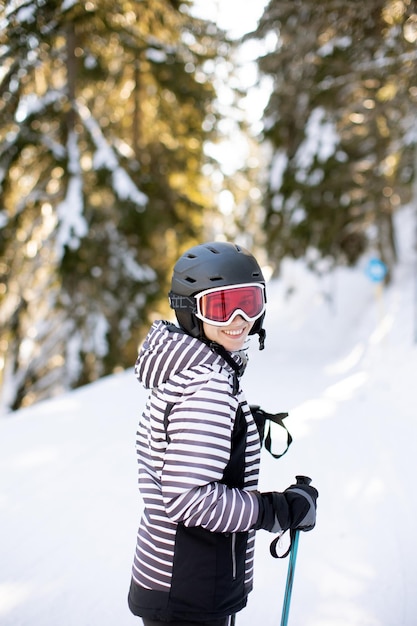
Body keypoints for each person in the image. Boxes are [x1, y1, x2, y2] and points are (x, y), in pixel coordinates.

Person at [127, 241, 318, 626]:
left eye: (249, 301)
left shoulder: (189, 371)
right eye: (220, 306)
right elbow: (188, 500)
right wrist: (276, 510)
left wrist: (239, 424)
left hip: (174, 580)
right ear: (190, 310)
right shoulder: (209, 387)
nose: (239, 318)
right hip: (190, 590)